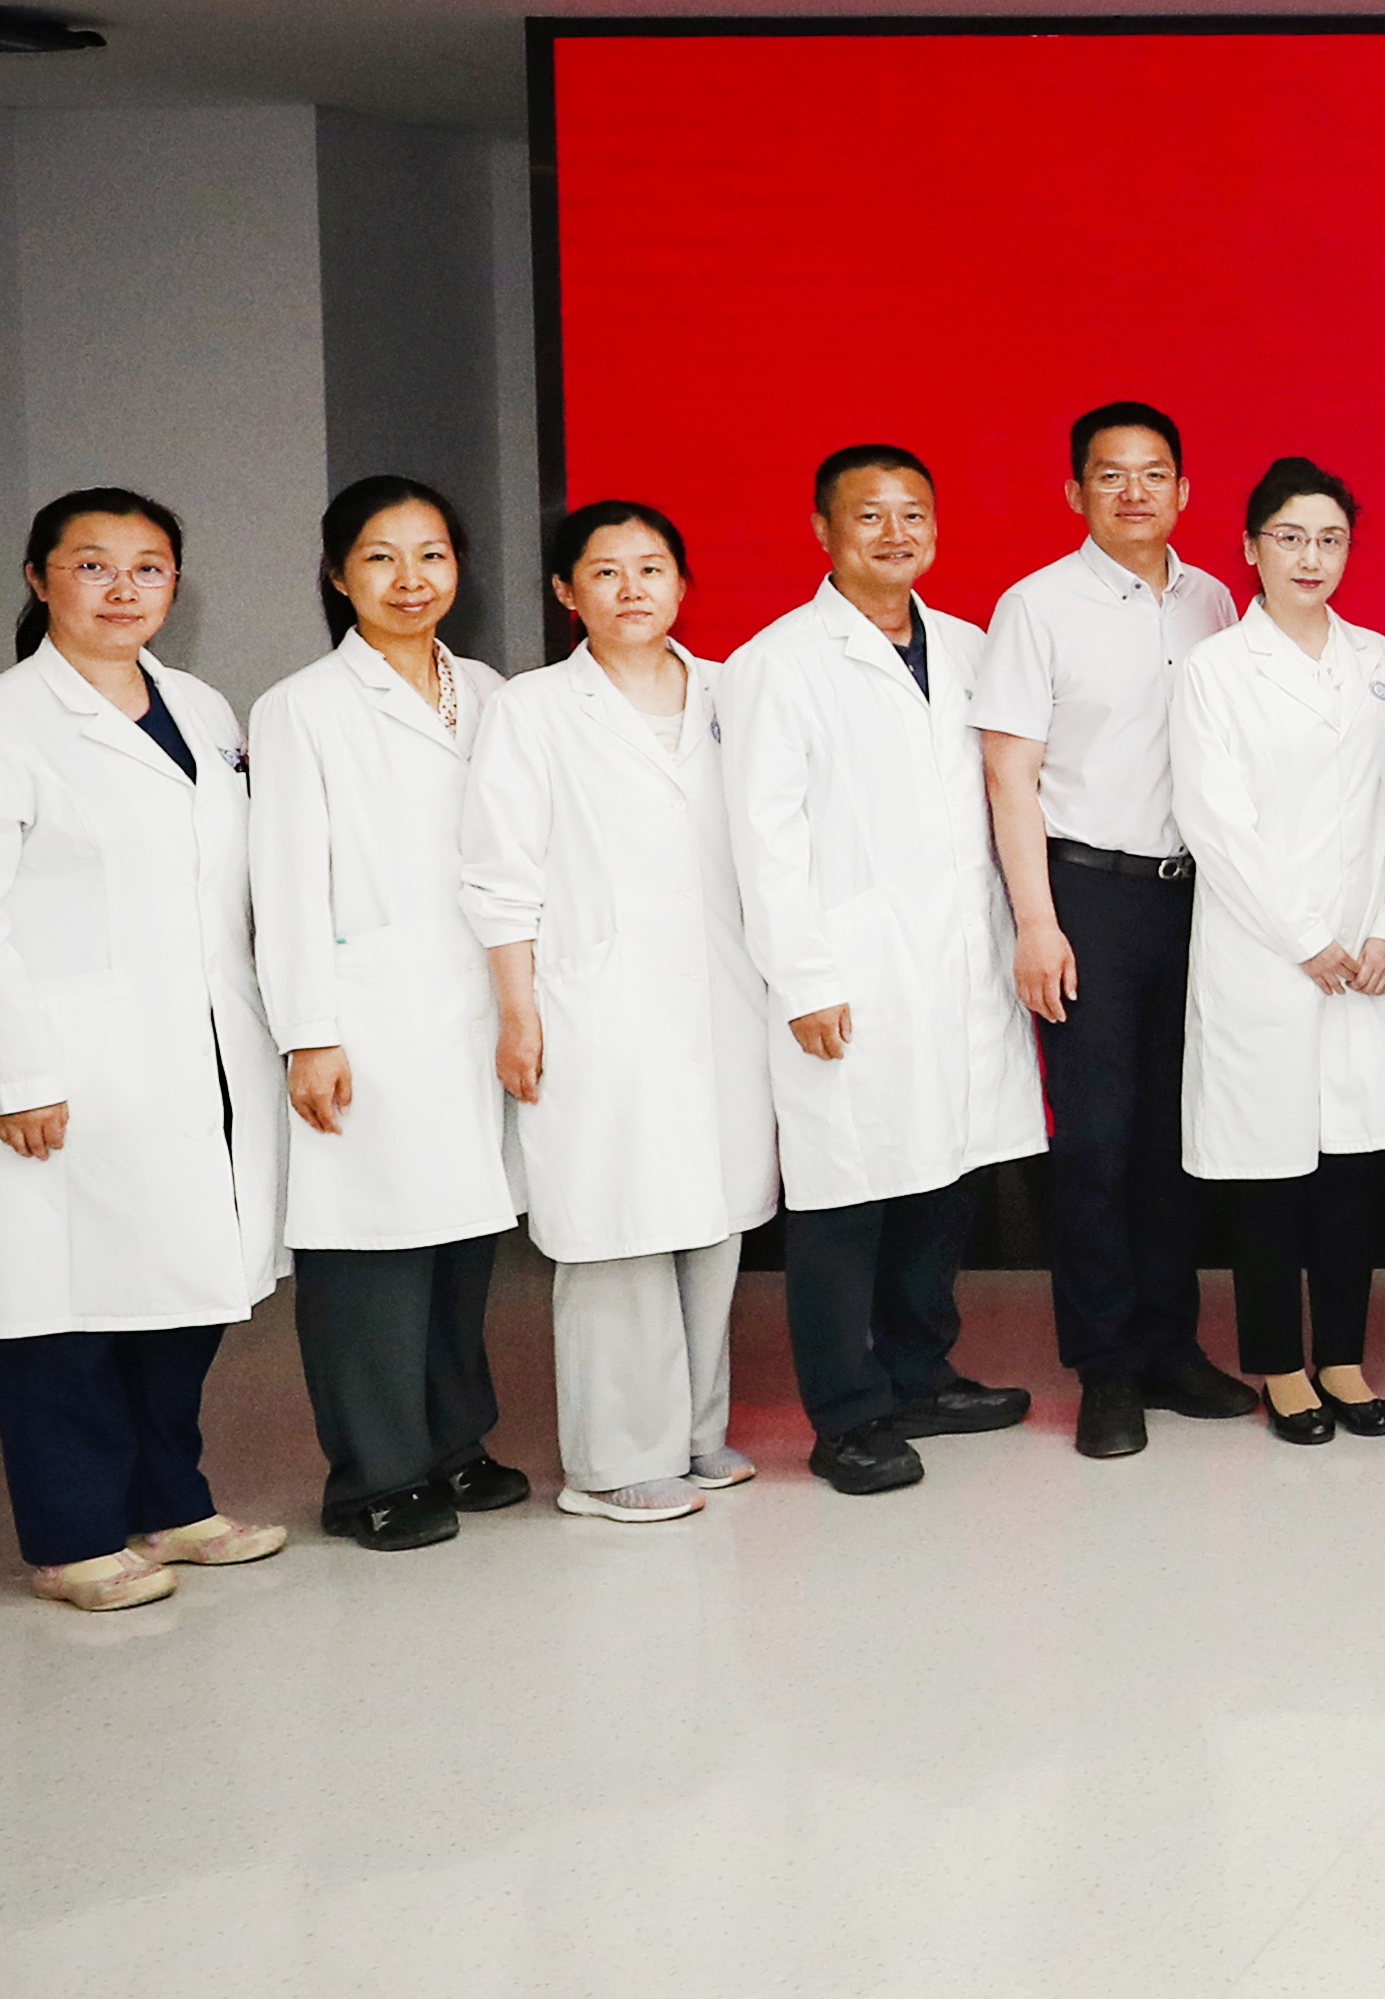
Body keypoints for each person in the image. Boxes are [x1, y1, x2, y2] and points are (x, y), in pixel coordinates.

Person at [0, 490, 294, 1608]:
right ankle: (73, 1536)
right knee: (62, 1310)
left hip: (203, 1047)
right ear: (40, 579)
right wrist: (16, 1073)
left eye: (149, 566)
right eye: (93, 565)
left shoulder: (202, 708)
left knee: (183, 1292)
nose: (124, 589)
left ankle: (172, 1503)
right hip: (63, 1061)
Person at [724, 445, 1046, 1496]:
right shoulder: (780, 661)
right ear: (824, 531)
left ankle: (919, 1374)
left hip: (958, 960)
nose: (895, 532)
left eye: (913, 513)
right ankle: (846, 1412)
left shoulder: (969, 647)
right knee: (845, 1194)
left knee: (941, 1179)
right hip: (848, 971)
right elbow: (763, 836)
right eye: (870, 515)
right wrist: (803, 977)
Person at [460, 500, 781, 1524]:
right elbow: (499, 872)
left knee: (712, 1217)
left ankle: (692, 1431)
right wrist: (519, 1014)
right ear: (566, 592)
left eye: (651, 567)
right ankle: (610, 1463)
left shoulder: (732, 692)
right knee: (618, 1227)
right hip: (594, 1000)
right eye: (605, 571)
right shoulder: (535, 709)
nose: (632, 588)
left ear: (683, 583)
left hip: (723, 997)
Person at [972, 400, 1256, 1460]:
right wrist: (1035, 921)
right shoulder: (1036, 606)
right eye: (1110, 474)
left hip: (1197, 898)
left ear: (1184, 489)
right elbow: (1008, 775)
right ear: (1075, 492)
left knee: (1176, 1137)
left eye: (1153, 474)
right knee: (1096, 1141)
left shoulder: (1215, 599)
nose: (1134, 492)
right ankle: (1105, 1369)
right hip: (1087, 894)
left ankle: (1171, 1346)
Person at [249, 474, 525, 1550]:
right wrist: (308, 1033)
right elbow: (285, 882)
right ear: (337, 574)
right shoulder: (302, 706)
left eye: (432, 555)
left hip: (474, 1002)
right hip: (364, 1011)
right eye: (380, 557)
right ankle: (374, 1474)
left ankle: (455, 1443)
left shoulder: (491, 691)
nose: (410, 579)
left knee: (461, 1236)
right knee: (370, 1249)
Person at [1174, 458, 1385, 1447]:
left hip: (1364, 958)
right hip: (1267, 958)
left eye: (1330, 539)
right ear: (1250, 547)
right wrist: (1306, 938)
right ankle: (1281, 1369)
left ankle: (1342, 1359)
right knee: (1270, 1179)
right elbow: (1216, 822)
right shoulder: (1213, 671)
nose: (1310, 557)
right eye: (1289, 537)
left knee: (1350, 1178)